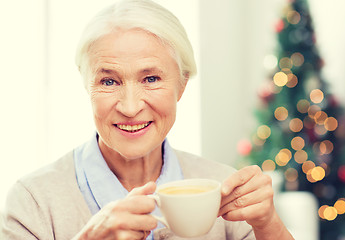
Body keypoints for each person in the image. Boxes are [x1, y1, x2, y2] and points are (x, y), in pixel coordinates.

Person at [1, 0, 294, 239]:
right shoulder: (33, 202)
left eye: (151, 78)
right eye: (108, 82)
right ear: (86, 86)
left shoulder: (221, 188)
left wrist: (269, 224)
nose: (129, 107)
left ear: (181, 85)